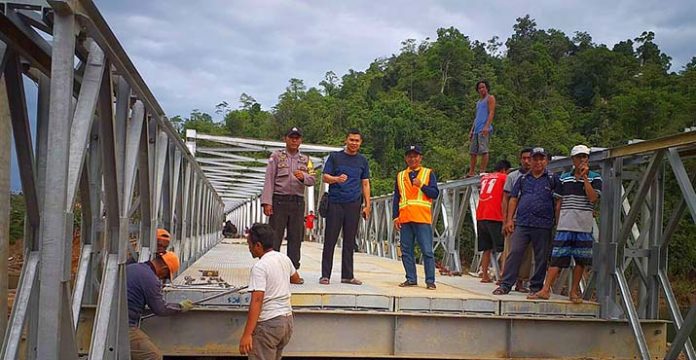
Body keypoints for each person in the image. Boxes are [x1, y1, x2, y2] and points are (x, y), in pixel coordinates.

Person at [528, 145, 601, 303]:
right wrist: (557, 221)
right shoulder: (563, 178)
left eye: (585, 157)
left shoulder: (596, 177)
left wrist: (585, 178)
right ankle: (546, 289)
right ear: (573, 159)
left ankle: (573, 292)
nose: (582, 160)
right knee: (557, 258)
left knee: (581, 260)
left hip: (583, 225)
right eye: (579, 157)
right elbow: (558, 201)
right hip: (565, 224)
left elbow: (593, 198)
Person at [493, 147, 559, 295]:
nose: (537, 162)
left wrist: (558, 220)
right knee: (515, 252)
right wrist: (509, 220)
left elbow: (559, 200)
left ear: (546, 161)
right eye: (535, 159)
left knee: (541, 257)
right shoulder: (522, 179)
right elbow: (513, 198)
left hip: (543, 224)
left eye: (541, 159)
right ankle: (505, 284)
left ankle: (536, 287)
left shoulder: (552, 178)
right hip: (522, 222)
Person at [239, 223, 303, 359]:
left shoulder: (260, 267)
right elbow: (296, 278)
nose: (249, 248)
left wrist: (247, 334)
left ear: (258, 245)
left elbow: (257, 301)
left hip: (269, 325)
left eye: (249, 244)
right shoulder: (284, 258)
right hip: (286, 323)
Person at [261, 127, 315, 282]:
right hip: (279, 201)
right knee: (274, 237)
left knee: (295, 238)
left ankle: (293, 273)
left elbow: (313, 180)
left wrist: (303, 176)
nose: (294, 140)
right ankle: (272, 271)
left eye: (297, 138)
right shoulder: (276, 157)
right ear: (285, 139)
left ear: (301, 140)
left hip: (297, 202)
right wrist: (267, 202)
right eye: (291, 137)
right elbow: (269, 179)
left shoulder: (306, 160)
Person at [320, 129, 371, 285]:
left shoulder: (362, 161)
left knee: (350, 241)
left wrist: (367, 205)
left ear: (360, 143)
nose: (354, 143)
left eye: (357, 141)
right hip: (336, 203)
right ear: (346, 140)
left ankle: (347, 276)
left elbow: (365, 183)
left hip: (354, 203)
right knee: (330, 239)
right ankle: (325, 275)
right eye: (351, 140)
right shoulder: (335, 157)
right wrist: (336, 179)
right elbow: (325, 177)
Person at [127, 251, 194, 360]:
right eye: (166, 275)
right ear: (163, 269)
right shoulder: (151, 279)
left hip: (114, 319)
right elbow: (160, 309)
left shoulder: (133, 267)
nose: (163, 278)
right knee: (153, 357)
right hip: (124, 327)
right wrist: (180, 307)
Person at [392, 145, 440, 290]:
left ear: (420, 157)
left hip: (421, 218)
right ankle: (411, 279)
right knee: (406, 251)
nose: (412, 159)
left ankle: (430, 281)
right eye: (410, 156)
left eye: (415, 156)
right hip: (405, 218)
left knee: (427, 251)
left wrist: (422, 185)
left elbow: (434, 193)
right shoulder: (400, 176)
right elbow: (397, 197)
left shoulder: (427, 173)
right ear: (406, 158)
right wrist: (395, 216)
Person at [499, 148, 534, 292]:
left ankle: (520, 283)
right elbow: (505, 199)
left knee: (527, 254)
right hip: (514, 219)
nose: (526, 161)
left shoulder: (539, 177)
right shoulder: (513, 176)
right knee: (510, 251)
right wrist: (506, 220)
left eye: (529, 158)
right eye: (524, 158)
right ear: (520, 159)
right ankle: (505, 280)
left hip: (530, 220)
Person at [476, 160, 511, 283]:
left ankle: (485, 275)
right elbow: (506, 196)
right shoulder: (504, 177)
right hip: (495, 215)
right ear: (504, 170)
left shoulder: (485, 178)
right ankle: (502, 276)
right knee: (502, 248)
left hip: (481, 214)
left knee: (487, 248)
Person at [467, 80, 496, 177]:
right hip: (477, 129)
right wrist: (471, 130)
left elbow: (491, 112)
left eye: (483, 87)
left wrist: (487, 126)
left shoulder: (490, 98)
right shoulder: (478, 102)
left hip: (484, 128)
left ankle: (482, 171)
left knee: (484, 150)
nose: (481, 89)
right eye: (479, 88)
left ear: (487, 88)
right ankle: (471, 172)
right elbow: (476, 117)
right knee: (473, 152)